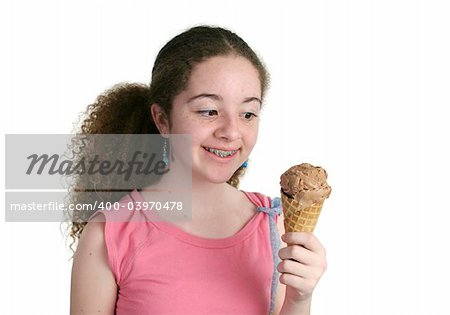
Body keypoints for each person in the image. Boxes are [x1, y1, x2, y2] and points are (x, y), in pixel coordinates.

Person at [68, 25, 327, 315]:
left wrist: (299, 299)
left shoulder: (272, 224)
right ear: (162, 119)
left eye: (248, 114)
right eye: (208, 111)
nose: (231, 131)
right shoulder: (109, 234)